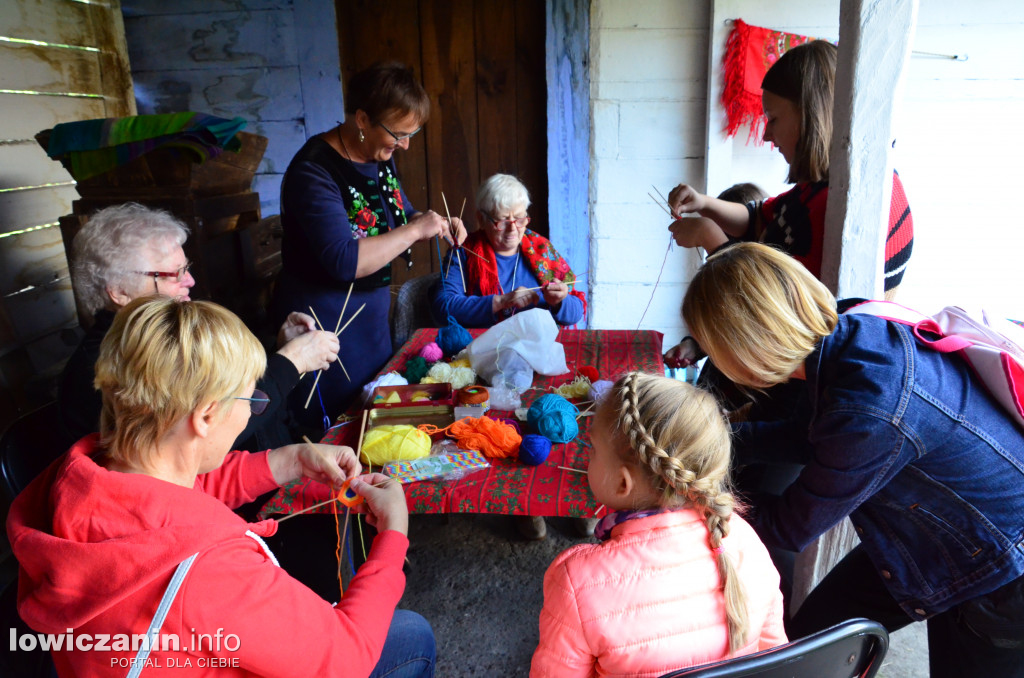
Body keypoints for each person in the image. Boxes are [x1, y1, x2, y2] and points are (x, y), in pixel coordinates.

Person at [8, 296, 435, 677]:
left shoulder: (76, 480)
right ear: (207, 416)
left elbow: (171, 496)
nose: (252, 412)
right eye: (251, 400)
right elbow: (346, 658)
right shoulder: (209, 567)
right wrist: (393, 536)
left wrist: (289, 459)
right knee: (411, 635)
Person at [681, 242, 1024, 678]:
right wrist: (703, 443)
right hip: (930, 530)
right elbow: (803, 438)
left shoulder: (868, 408)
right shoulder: (850, 327)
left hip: (1000, 563)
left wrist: (690, 497)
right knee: (808, 648)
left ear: (744, 347)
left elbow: (790, 526)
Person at [530, 372, 787, 677]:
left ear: (623, 483)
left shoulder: (576, 582)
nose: (589, 457)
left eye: (593, 449)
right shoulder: (745, 540)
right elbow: (777, 658)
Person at [272, 61, 466, 430]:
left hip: (370, 324)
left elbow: (397, 212)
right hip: (323, 331)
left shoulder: (378, 156)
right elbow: (344, 260)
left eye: (413, 133)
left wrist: (433, 222)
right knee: (334, 433)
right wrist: (414, 231)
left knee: (373, 421)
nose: (406, 144)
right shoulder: (314, 172)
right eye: (399, 133)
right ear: (362, 119)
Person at [58, 202, 339, 451]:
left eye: (186, 267)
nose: (190, 281)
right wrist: (291, 362)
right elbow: (208, 436)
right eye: (173, 274)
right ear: (118, 292)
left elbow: (229, 385)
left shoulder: (172, 333)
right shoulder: (108, 370)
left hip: (275, 463)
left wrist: (280, 346)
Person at [667, 40, 914, 300]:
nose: (766, 135)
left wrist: (710, 236)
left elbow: (772, 306)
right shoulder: (824, 185)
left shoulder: (848, 206)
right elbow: (758, 217)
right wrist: (704, 204)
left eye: (773, 119)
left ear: (811, 116)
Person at [431, 173, 585, 327]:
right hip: (485, 346)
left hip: (538, 344)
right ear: (481, 219)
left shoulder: (541, 250)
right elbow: (443, 307)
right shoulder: (464, 251)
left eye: (519, 219)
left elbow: (576, 312)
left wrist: (560, 301)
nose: (513, 229)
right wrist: (501, 301)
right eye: (503, 220)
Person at [664, 182, 767, 371]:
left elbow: (743, 328)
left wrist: (710, 236)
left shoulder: (761, 293)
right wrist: (695, 346)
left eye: (725, 236)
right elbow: (724, 330)